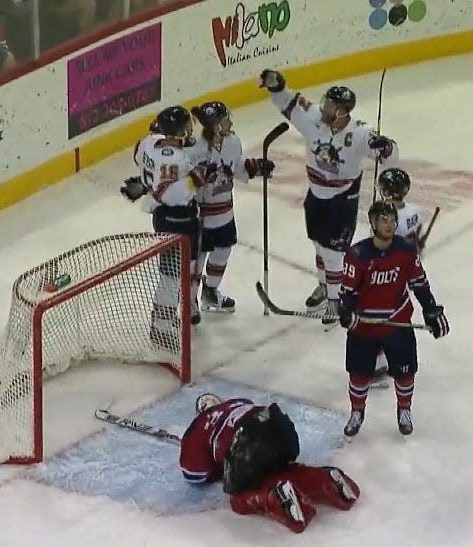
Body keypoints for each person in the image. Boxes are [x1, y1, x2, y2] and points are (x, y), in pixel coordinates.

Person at [257, 69, 399, 324]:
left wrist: (385, 147)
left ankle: (336, 300)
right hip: (316, 195)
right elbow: (289, 103)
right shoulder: (315, 119)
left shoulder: (361, 133)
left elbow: (391, 156)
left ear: (343, 111)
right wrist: (276, 86)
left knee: (334, 252)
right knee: (319, 245)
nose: (324, 107)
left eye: (331, 105)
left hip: (342, 199)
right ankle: (325, 286)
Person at [338, 201, 450, 437]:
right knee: (359, 373)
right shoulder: (357, 255)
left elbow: (420, 284)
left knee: (405, 371)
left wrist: (431, 310)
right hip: (365, 327)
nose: (389, 224)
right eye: (383, 219)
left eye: (391, 219)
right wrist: (347, 312)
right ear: (372, 223)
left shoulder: (406, 251)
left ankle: (404, 410)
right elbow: (348, 294)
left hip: (397, 322)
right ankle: (357, 412)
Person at [179, 394, 360, 533]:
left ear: (199, 413)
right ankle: (323, 480)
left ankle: (273, 496)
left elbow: (195, 475)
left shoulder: (198, 427)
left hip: (244, 440)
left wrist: (218, 470)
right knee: (280, 469)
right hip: (277, 423)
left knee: (238, 497)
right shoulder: (238, 402)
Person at [120, 105, 216, 341]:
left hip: (167, 216)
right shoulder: (173, 158)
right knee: (172, 276)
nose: (188, 130)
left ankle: (187, 305)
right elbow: (170, 195)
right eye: (184, 127)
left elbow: (141, 158)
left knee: (188, 268)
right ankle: (160, 327)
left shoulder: (148, 143)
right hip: (176, 218)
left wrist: (146, 184)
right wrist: (197, 179)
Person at [188, 101, 275, 313]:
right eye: (225, 119)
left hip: (225, 212)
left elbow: (236, 167)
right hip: (200, 217)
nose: (230, 122)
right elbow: (183, 186)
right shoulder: (194, 149)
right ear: (216, 125)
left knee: (223, 252)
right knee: (197, 261)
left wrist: (255, 167)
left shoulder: (233, 141)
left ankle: (210, 292)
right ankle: (190, 302)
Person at [372, 167, 424, 382]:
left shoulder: (388, 219)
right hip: (407, 273)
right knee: (395, 317)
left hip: (388, 276)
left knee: (375, 320)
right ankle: (394, 361)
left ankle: (377, 366)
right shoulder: (414, 211)